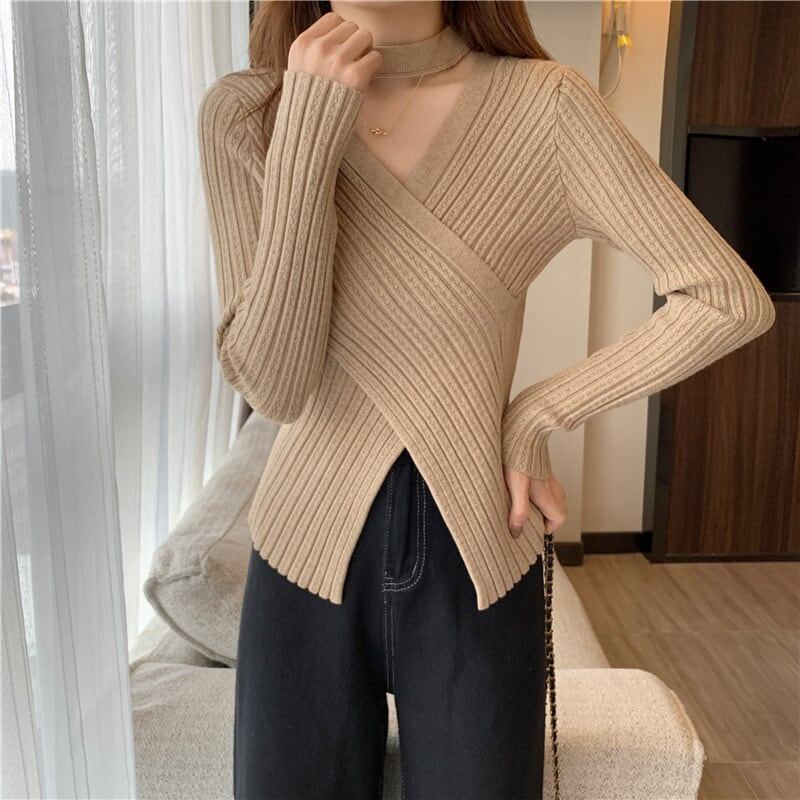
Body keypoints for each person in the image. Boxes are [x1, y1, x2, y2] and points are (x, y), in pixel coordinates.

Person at [197, 2, 776, 799]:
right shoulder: (247, 113)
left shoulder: (547, 106)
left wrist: (540, 411)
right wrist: (307, 127)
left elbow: (726, 298)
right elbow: (275, 384)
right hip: (302, 552)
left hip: (478, 553)